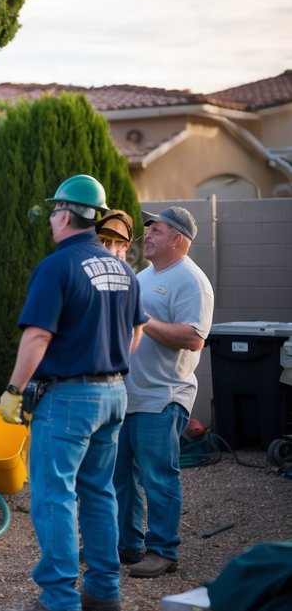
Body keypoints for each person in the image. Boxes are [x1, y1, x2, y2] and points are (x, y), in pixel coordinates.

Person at [0, 175, 146, 611]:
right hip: (113, 393)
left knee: (54, 495)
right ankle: (104, 591)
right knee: (99, 493)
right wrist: (109, 365)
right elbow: (137, 331)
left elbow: (38, 335)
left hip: (69, 399)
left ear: (64, 214)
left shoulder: (57, 267)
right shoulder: (123, 270)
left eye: (52, 213)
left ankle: (60, 599)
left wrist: (14, 388)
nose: (50, 220)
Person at [114, 206, 214, 578]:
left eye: (155, 229)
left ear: (178, 239)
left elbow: (194, 337)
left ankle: (162, 551)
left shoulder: (191, 281)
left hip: (163, 395)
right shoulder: (142, 276)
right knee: (118, 475)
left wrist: (144, 318)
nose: (147, 235)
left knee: (158, 475)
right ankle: (125, 545)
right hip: (128, 393)